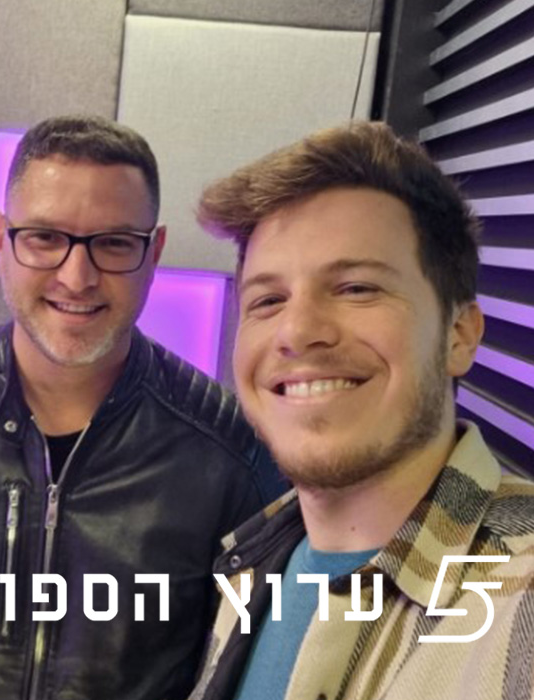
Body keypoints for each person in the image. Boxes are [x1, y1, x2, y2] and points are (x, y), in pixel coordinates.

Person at [0, 115, 285, 700]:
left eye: (114, 243)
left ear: (154, 252)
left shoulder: (230, 452)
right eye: (45, 238)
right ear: (1, 240)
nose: (77, 277)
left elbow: (247, 670)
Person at [187, 121, 534, 700]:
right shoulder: (248, 564)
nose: (297, 332)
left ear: (459, 335)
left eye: (357, 288)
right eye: (268, 300)